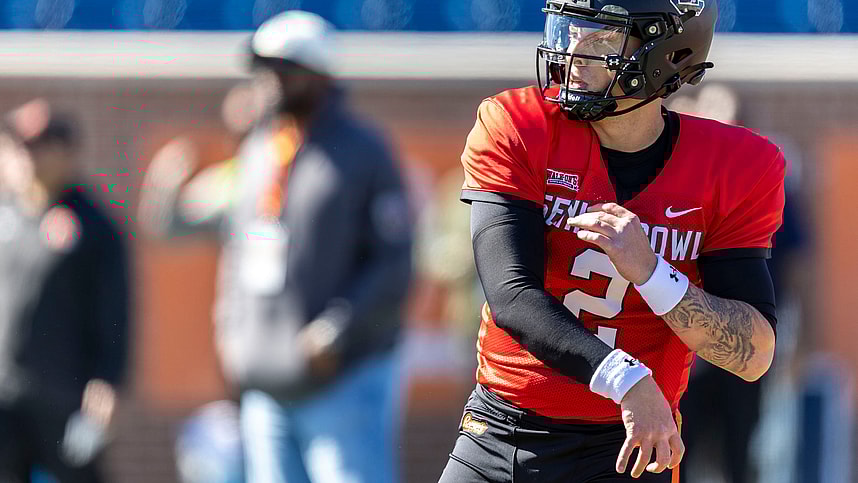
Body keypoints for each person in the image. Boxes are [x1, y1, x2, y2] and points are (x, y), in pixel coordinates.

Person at [438, 1, 784, 482]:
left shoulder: (734, 166)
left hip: (634, 447)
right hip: (507, 431)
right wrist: (629, 379)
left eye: (602, 38)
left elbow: (753, 354)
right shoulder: (519, 125)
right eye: (572, 29)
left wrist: (652, 273)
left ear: (666, 52)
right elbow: (512, 296)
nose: (574, 51)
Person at [139, 10, 413, 483]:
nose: (267, 81)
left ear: (318, 75)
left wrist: (337, 329)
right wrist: (165, 192)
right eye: (263, 69)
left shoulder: (363, 151)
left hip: (341, 379)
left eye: (281, 69)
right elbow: (185, 222)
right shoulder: (259, 150)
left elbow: (393, 262)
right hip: (265, 383)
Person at [0, 99, 129, 483]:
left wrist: (106, 383)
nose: (25, 158)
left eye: (34, 147)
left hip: (62, 394)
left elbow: (115, 312)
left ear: (64, 150)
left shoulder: (92, 224)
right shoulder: (7, 214)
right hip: (6, 393)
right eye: (17, 147)